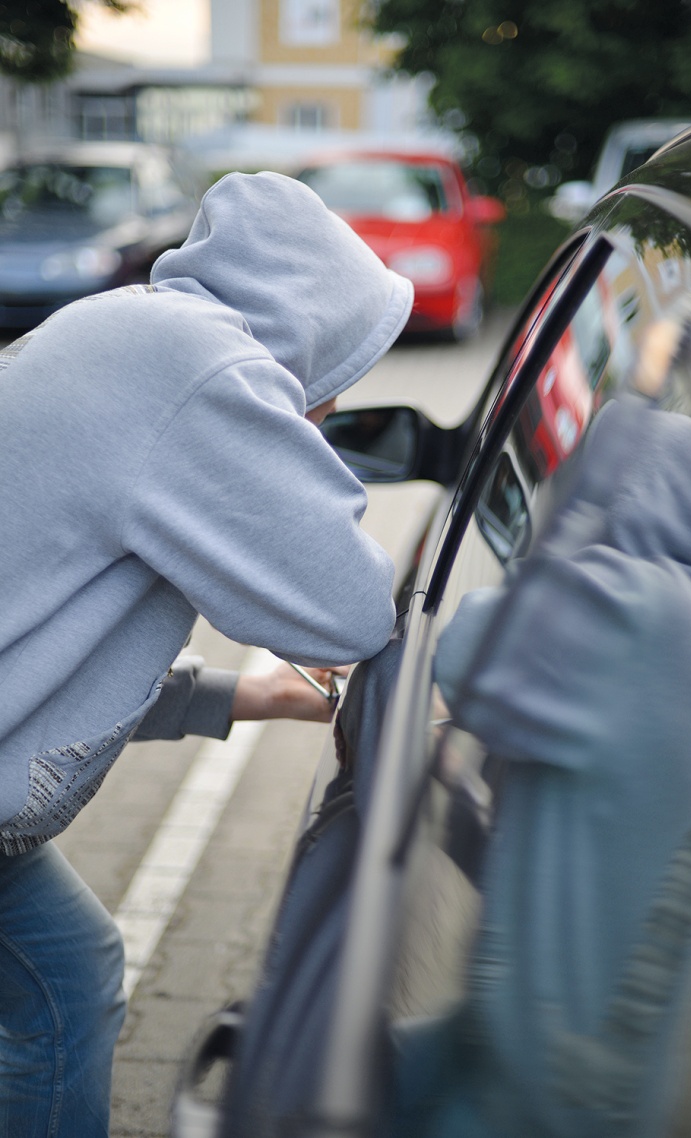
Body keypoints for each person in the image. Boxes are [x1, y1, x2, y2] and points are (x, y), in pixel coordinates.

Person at [0, 170, 413, 1137]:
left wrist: (238, 697)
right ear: (307, 317)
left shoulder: (127, 331)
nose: (335, 401)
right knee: (63, 989)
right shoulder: (200, 372)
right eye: (343, 368)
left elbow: (47, 641)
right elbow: (348, 606)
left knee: (72, 970)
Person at [392, 395, 691, 1137]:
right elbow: (560, 849)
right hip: (557, 1048)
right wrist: (454, 796)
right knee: (362, 1078)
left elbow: (467, 648)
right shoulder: (686, 636)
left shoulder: (641, 614)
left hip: (548, 1082)